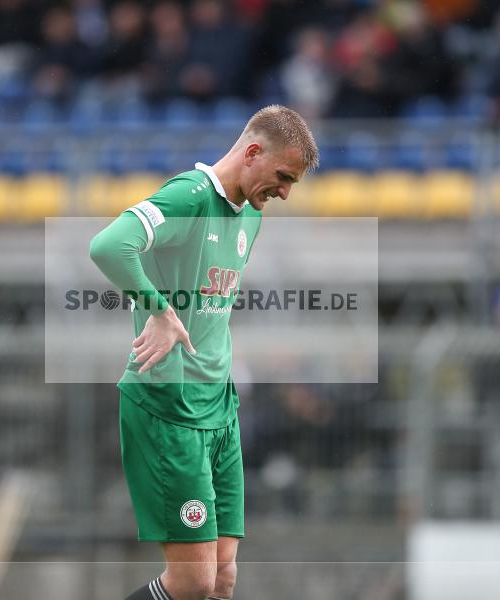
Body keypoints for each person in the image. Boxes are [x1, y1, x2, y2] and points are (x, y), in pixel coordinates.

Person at [90, 105, 318, 600]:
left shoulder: (251, 213)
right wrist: (158, 309)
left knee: (221, 579)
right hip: (169, 408)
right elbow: (108, 246)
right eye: (283, 177)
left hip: (219, 407)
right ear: (252, 152)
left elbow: (207, 306)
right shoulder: (189, 197)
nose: (285, 192)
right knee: (191, 581)